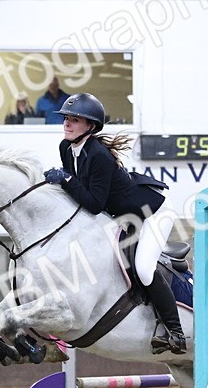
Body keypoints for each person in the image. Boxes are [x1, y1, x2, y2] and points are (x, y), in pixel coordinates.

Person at [42, 93, 186, 355]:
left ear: (91, 126)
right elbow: (78, 196)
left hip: (152, 212)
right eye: (66, 119)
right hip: (121, 216)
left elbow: (94, 203)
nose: (67, 124)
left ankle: (175, 333)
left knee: (143, 268)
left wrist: (64, 180)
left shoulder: (98, 155)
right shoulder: (66, 148)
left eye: (75, 120)